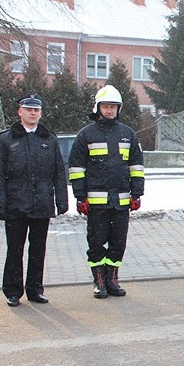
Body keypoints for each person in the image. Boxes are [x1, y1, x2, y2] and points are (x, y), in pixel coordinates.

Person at [0, 94, 69, 307]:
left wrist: (61, 199)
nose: (33, 113)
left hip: (42, 203)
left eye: (36, 110)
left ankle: (35, 289)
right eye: (28, 109)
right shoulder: (5, 140)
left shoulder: (48, 139)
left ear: (41, 113)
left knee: (38, 249)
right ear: (20, 112)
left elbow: (59, 172)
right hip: (16, 204)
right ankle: (13, 292)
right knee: (15, 249)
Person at [68, 85, 144, 298]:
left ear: (118, 109)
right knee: (96, 243)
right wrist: (80, 197)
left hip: (120, 201)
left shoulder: (128, 134)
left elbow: (136, 166)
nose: (109, 111)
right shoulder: (86, 135)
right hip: (96, 202)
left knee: (118, 242)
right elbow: (76, 169)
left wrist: (136, 194)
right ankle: (99, 280)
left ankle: (112, 279)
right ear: (98, 107)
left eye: (113, 107)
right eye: (106, 106)